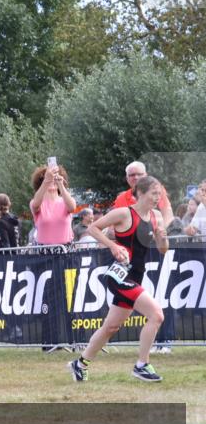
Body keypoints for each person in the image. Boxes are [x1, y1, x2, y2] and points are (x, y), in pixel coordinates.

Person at [68, 176, 169, 383]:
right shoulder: (125, 213)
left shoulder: (156, 216)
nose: (157, 197)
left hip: (136, 277)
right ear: (140, 193)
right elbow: (92, 228)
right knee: (157, 315)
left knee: (111, 327)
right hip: (119, 276)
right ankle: (142, 365)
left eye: (159, 194)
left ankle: (80, 364)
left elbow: (162, 249)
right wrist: (113, 246)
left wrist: (162, 236)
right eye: (153, 193)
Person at [113, 161, 173, 228]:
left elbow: (168, 215)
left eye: (139, 174)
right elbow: (114, 223)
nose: (136, 177)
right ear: (127, 179)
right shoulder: (121, 198)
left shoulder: (158, 191)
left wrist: (160, 231)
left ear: (146, 176)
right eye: (132, 175)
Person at [29, 163, 76, 246]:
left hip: (66, 250)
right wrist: (47, 180)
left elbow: (72, 208)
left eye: (54, 178)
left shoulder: (66, 200)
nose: (52, 180)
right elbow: (35, 205)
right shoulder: (36, 202)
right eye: (47, 178)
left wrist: (60, 184)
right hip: (44, 251)